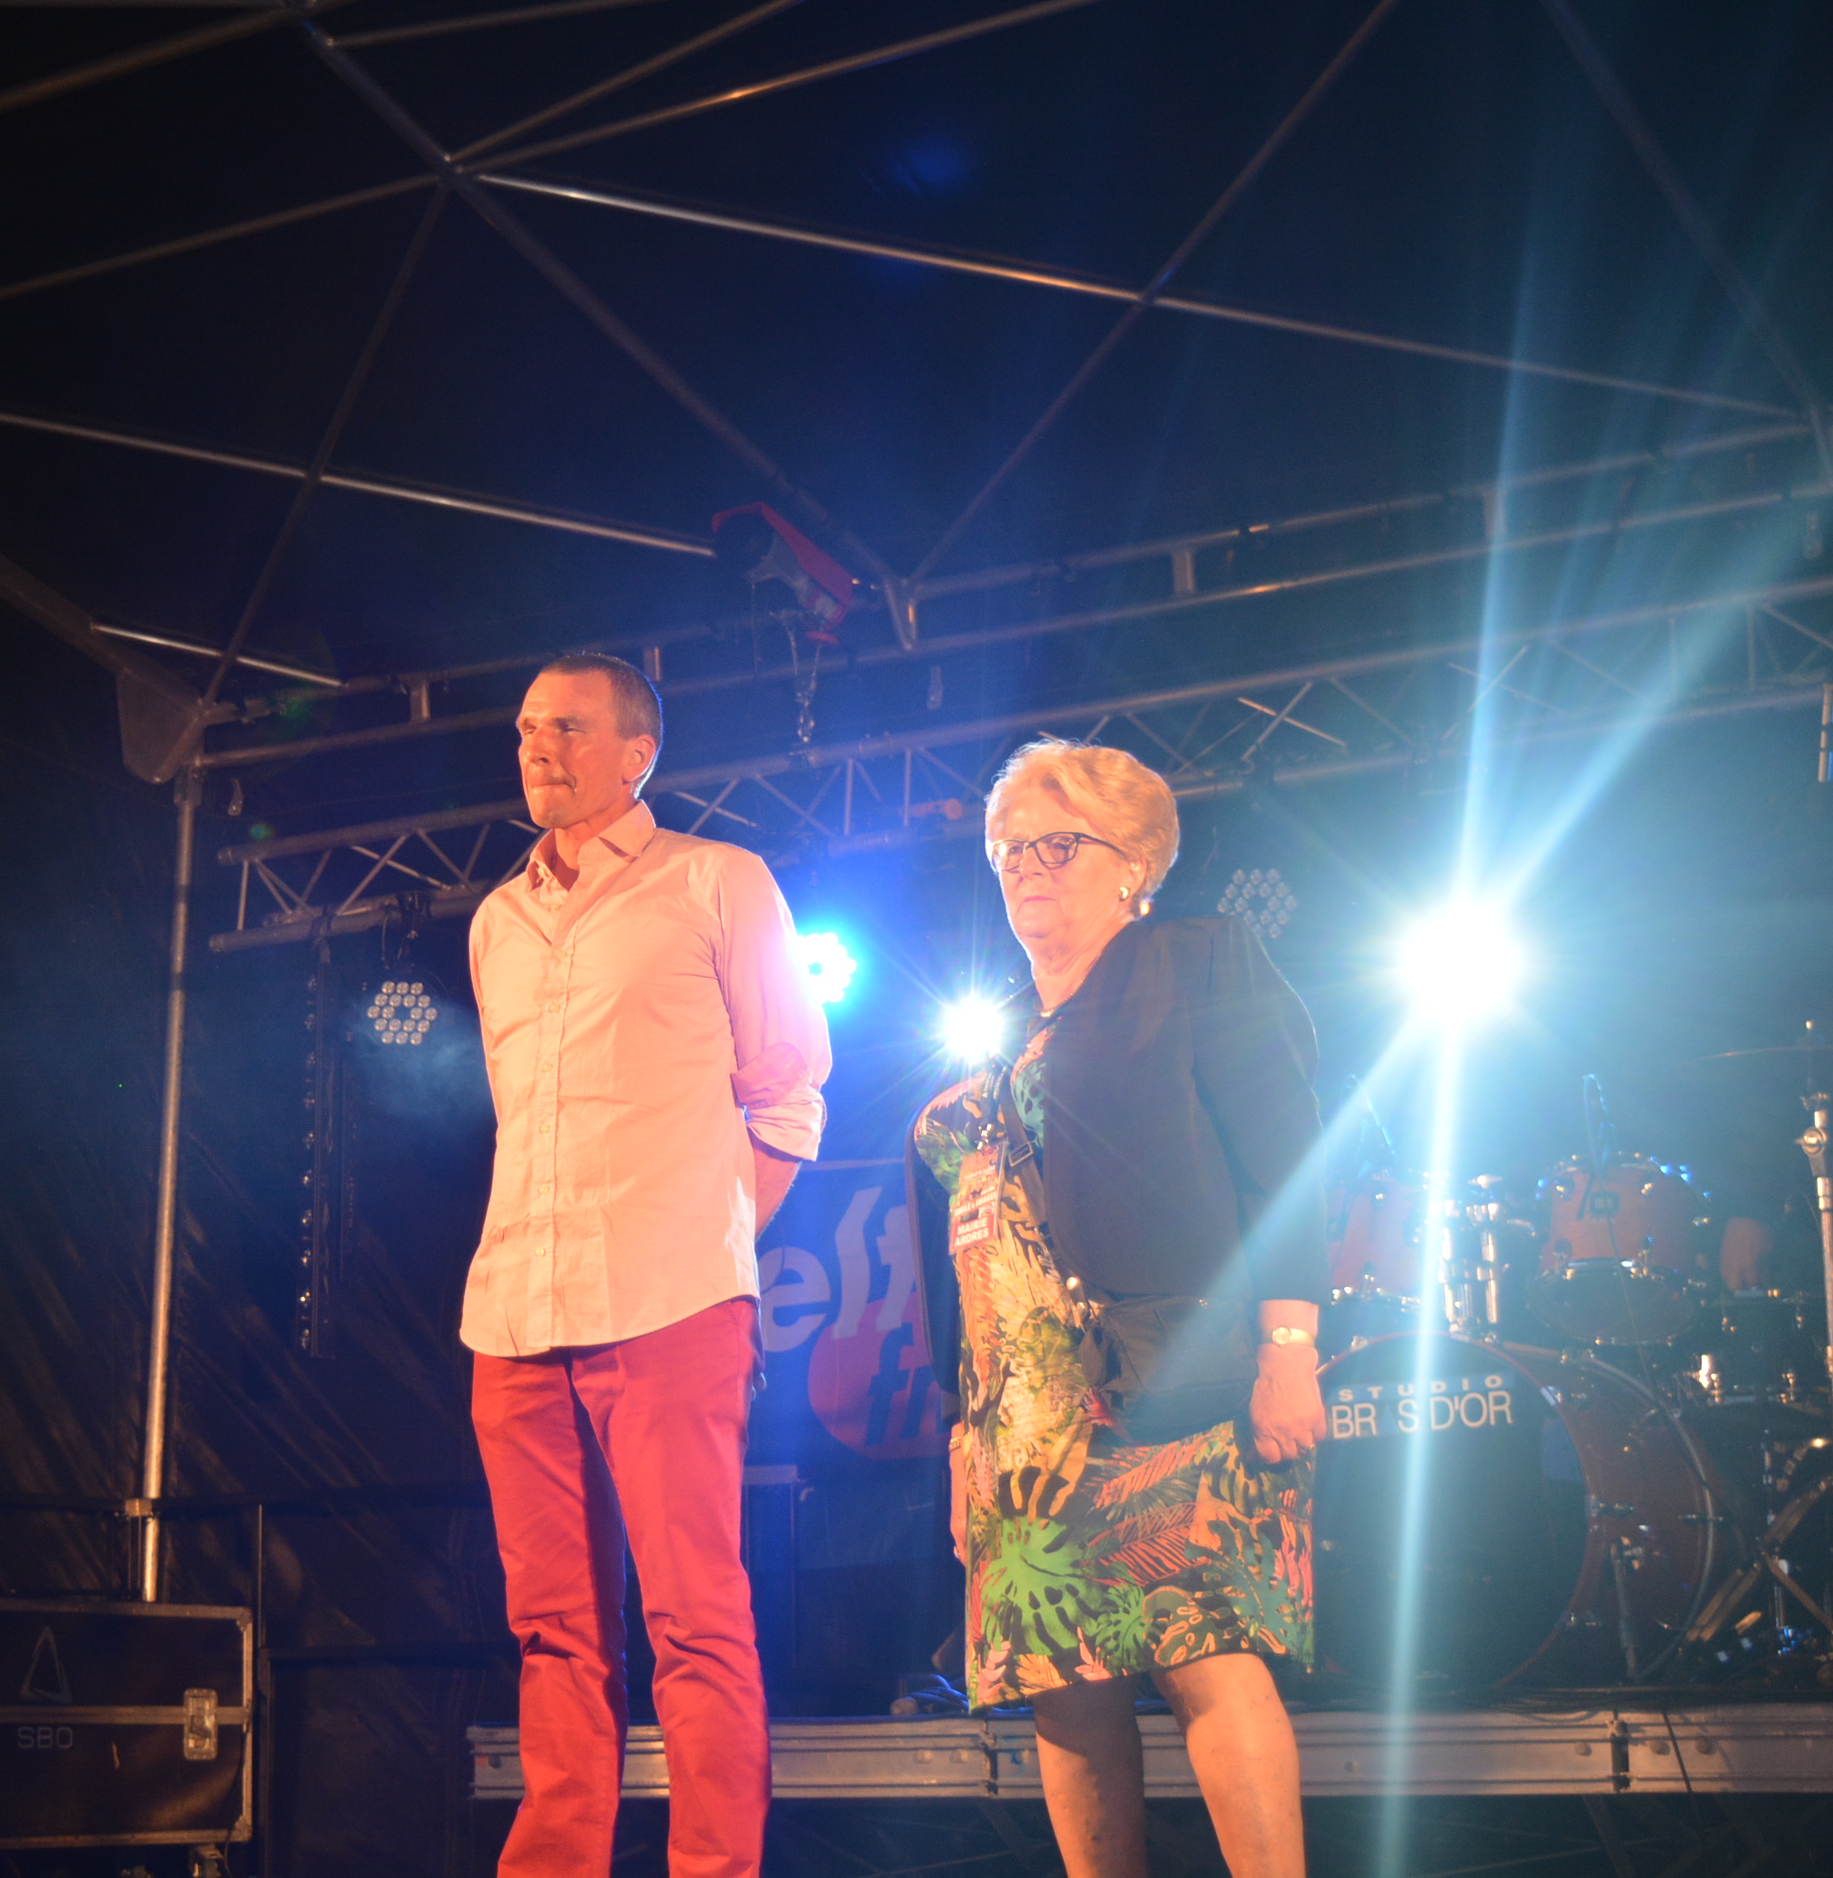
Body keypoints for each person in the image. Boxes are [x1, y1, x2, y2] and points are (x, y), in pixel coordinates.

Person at [912, 741, 1322, 1878]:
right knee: (1063, 1687)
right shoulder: (1000, 1028)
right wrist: (962, 1428)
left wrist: (1289, 1346)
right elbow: (967, 1257)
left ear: (1134, 862)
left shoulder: (1191, 961)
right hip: (1017, 1420)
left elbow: (1289, 1160)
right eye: (1009, 850)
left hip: (1163, 1372)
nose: (1025, 868)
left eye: (1057, 845)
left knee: (1204, 1650)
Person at [462, 654, 832, 1878]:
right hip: (513, 1312)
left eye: (568, 725)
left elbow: (789, 1094)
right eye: (527, 726)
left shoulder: (717, 880)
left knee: (693, 1618)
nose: (538, 744)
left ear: (637, 753)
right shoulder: (496, 920)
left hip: (671, 1303)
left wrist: (710, 1236)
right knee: (551, 1629)